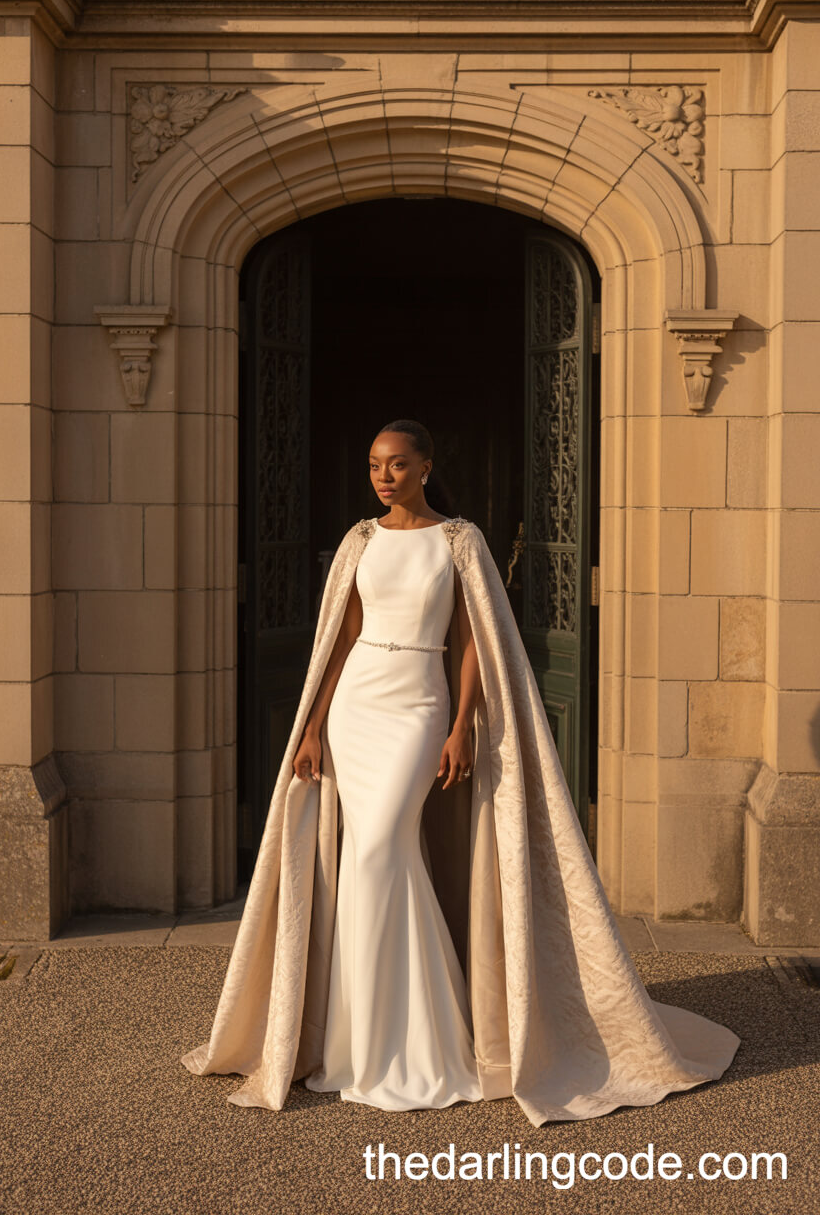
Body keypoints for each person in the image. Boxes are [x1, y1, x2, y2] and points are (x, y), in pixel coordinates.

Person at [181, 419, 741, 1127]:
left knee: (384, 847)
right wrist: (316, 723)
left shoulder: (459, 540)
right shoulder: (359, 540)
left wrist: (461, 726)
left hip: (418, 703)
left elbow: (474, 638)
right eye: (374, 464)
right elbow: (343, 636)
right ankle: (356, 1047)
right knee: (365, 860)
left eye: (397, 464)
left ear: (425, 467)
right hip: (356, 703)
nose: (383, 476)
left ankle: (429, 1045)